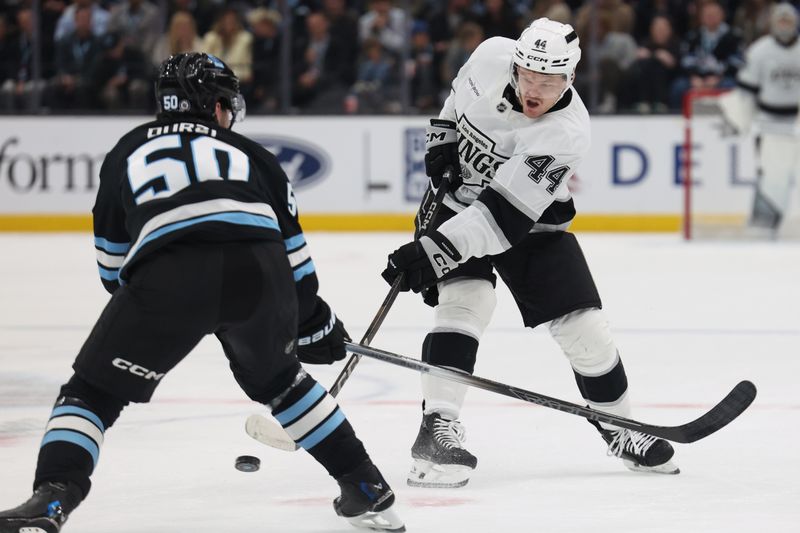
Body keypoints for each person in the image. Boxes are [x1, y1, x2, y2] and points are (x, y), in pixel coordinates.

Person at [0, 53, 404, 533]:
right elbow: (295, 258)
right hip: (263, 273)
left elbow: (112, 265)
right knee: (282, 383)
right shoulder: (254, 155)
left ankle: (52, 498)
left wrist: (156, 310)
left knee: (92, 392)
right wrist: (313, 324)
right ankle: (366, 487)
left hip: (171, 273)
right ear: (215, 106)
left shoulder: (127, 149)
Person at [381, 18, 680, 489]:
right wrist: (444, 135)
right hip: (458, 205)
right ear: (515, 65)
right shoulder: (489, 54)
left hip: (529, 220)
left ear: (570, 78)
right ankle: (436, 428)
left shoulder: (566, 132)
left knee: (585, 328)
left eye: (549, 81)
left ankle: (620, 427)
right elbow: (457, 96)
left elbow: (502, 218)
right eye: (528, 77)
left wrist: (434, 251)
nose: (534, 91)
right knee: (466, 301)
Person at [718, 2, 800, 237]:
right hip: (769, 124)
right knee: (771, 175)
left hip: (798, 122)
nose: (784, 25)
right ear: (773, 23)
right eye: (780, 20)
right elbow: (746, 92)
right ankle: (764, 223)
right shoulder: (760, 50)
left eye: (788, 21)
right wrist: (738, 119)